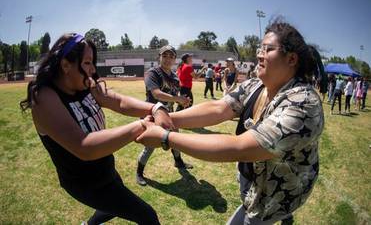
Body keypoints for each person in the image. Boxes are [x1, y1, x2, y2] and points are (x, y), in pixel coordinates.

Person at [136, 19, 324, 224]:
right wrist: (166, 118)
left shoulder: (303, 104)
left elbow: (240, 148)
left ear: (291, 59)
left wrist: (166, 137)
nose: (259, 54)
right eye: (260, 48)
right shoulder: (255, 85)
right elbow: (218, 108)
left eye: (268, 49)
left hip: (275, 198)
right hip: (254, 183)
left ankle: (285, 217)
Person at [19, 32, 174, 225]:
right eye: (86, 63)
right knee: (147, 216)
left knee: (111, 208)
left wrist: (155, 107)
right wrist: (142, 125)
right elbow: (84, 146)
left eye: (93, 62)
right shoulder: (43, 97)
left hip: (105, 170)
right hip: (85, 183)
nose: (92, 70)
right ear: (66, 65)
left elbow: (118, 101)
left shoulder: (85, 83)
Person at [136, 45, 193, 186]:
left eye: (171, 56)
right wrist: (177, 99)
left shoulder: (174, 76)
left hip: (169, 115)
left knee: (176, 140)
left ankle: (178, 162)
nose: (168, 59)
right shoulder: (152, 73)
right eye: (165, 56)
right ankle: (139, 172)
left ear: (175, 59)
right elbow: (156, 93)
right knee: (150, 146)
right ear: (159, 57)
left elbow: (174, 95)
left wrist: (183, 100)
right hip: (152, 115)